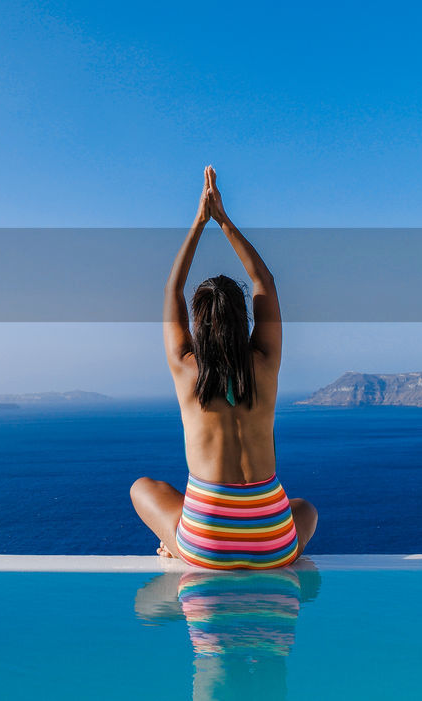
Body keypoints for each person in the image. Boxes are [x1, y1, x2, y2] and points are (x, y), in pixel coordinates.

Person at [130, 166, 317, 569]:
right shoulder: (264, 364)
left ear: (197, 321)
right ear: (243, 318)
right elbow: (264, 281)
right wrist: (224, 221)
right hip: (274, 545)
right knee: (305, 510)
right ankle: (203, 540)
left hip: (206, 545)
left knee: (143, 488)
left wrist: (199, 222)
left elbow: (171, 291)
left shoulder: (186, 367)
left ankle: (177, 544)